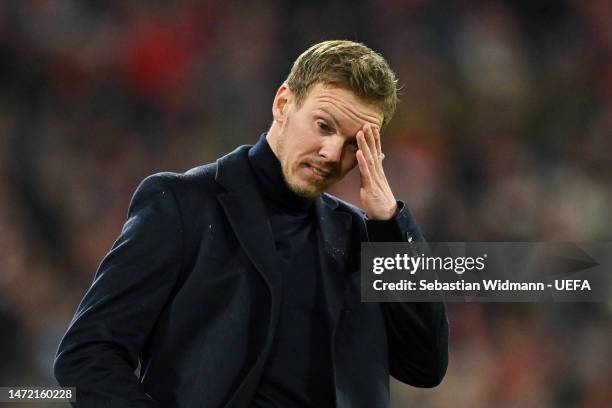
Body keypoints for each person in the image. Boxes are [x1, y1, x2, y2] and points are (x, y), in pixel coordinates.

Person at [54, 40, 448, 408]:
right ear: (283, 103)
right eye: (324, 126)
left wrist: (390, 222)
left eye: (353, 145)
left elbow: (426, 365)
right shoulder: (182, 206)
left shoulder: (366, 238)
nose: (331, 153)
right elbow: (87, 355)